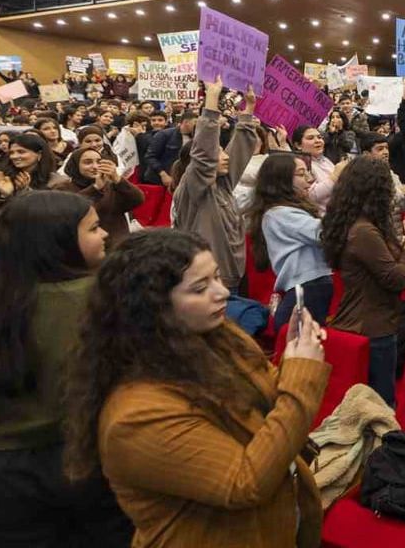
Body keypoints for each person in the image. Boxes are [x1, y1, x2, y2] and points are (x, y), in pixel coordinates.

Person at [62, 230, 330, 548]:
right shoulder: (134, 417)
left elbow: (266, 402)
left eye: (217, 277)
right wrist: (302, 374)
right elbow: (246, 482)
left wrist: (294, 358)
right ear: (154, 308)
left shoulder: (214, 336)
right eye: (200, 288)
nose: (221, 294)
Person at [0, 191, 134, 546]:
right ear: (57, 242)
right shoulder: (98, 298)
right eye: (93, 228)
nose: (105, 233)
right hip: (82, 461)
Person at [322, 156, 405, 406]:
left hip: (364, 322)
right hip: (372, 329)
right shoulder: (364, 231)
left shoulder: (356, 223)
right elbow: (398, 278)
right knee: (380, 407)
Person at [171, 78, 260, 294]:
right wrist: (211, 101)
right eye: (218, 152)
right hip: (206, 282)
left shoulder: (222, 185)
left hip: (232, 277)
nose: (225, 156)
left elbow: (240, 151)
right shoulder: (195, 189)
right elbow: (204, 154)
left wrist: (248, 109)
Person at [248, 153, 333, 327]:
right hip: (304, 287)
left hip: (313, 285)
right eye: (301, 174)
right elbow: (324, 233)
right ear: (282, 180)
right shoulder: (278, 214)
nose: (309, 179)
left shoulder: (287, 210)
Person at [59, 145, 144, 250]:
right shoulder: (64, 188)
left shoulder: (111, 185)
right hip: (83, 248)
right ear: (76, 166)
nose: (95, 166)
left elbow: (137, 199)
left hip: (116, 246)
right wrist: (95, 188)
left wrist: (118, 180)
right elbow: (73, 211)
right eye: (88, 162)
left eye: (99, 162)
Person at [0, 132, 66, 214]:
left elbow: (50, 214)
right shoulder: (7, 178)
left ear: (39, 154)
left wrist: (25, 193)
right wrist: (3, 195)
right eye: (11, 153)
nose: (14, 156)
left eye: (21, 152)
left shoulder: (56, 182)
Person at [144, 110, 196, 186]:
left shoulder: (195, 137)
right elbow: (150, 157)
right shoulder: (164, 135)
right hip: (158, 180)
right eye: (195, 123)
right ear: (186, 122)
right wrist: (163, 174)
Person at [292, 125, 339, 209]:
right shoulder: (299, 165)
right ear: (298, 145)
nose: (317, 141)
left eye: (319, 137)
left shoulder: (326, 160)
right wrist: (336, 175)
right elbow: (310, 195)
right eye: (310, 138)